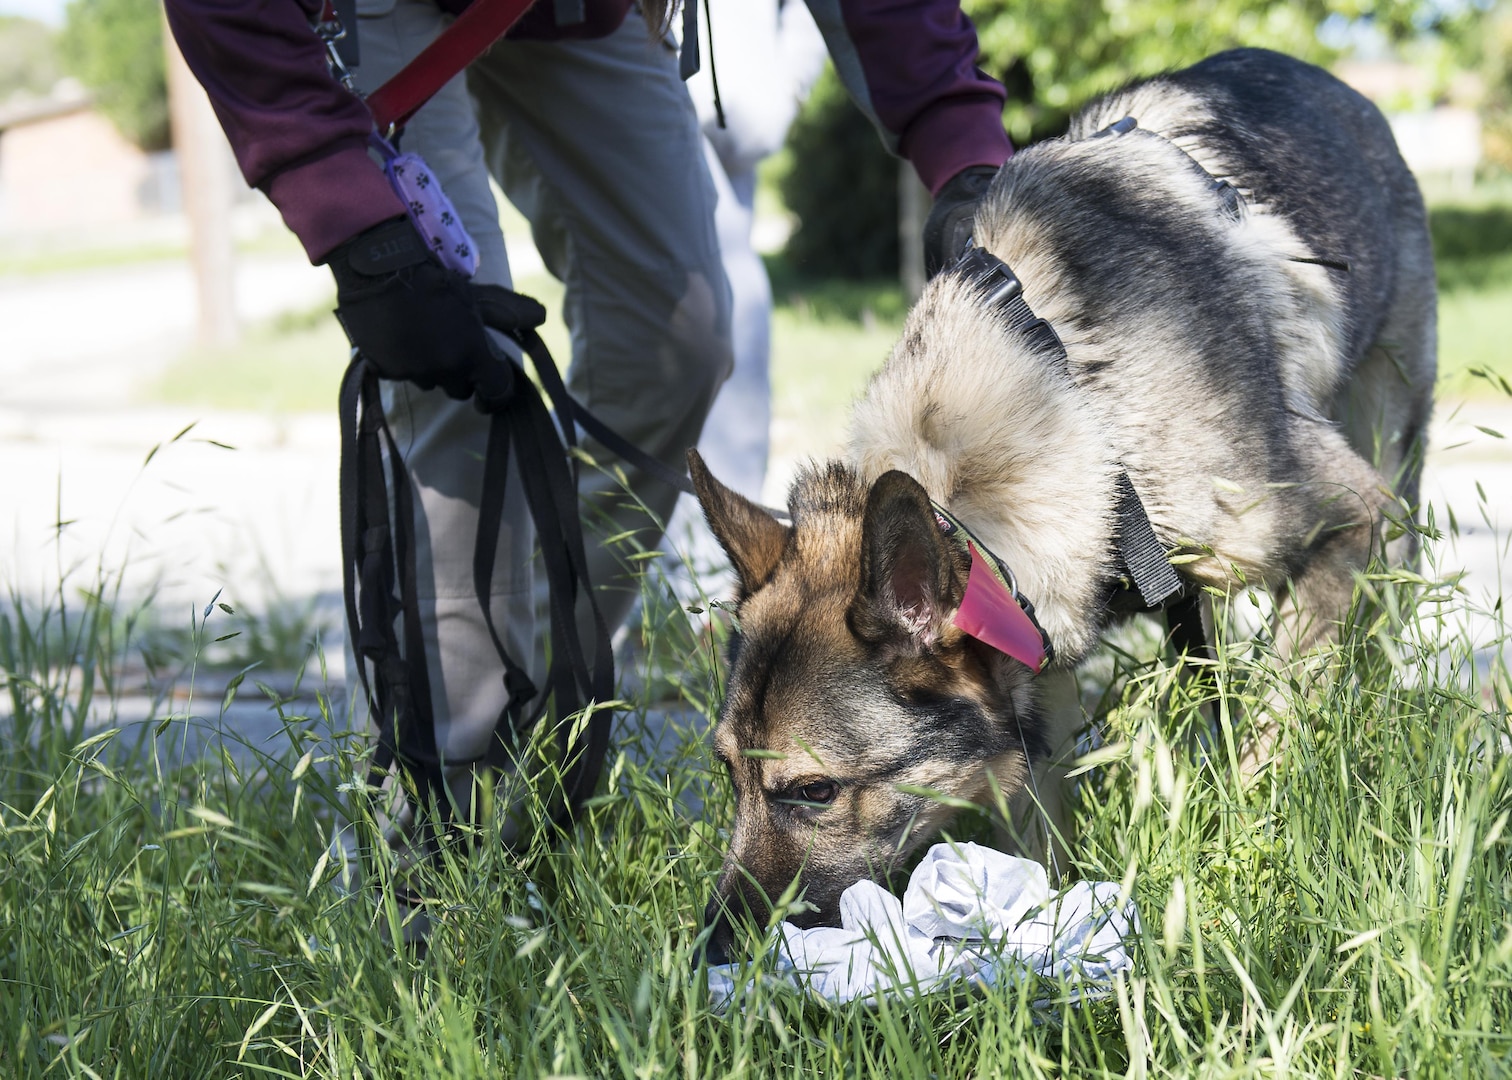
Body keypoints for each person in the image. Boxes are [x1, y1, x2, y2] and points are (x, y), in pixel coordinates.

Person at [161, 0, 1013, 845]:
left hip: (573, 14)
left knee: (676, 341)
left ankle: (534, 726)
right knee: (458, 393)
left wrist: (964, 155)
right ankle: (434, 852)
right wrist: (352, 219)